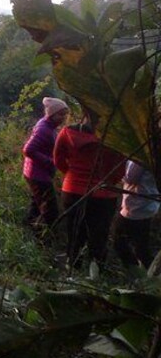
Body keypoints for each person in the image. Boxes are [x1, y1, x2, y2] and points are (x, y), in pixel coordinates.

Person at [54, 112, 126, 273]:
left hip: (72, 191)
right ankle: (97, 271)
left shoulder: (66, 132)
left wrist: (72, 175)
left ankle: (73, 267)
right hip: (103, 194)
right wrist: (107, 182)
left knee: (74, 231)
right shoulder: (115, 140)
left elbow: (58, 160)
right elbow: (120, 168)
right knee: (99, 235)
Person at [22, 97, 69, 236]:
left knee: (37, 203)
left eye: (65, 114)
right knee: (50, 210)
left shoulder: (49, 126)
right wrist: (50, 161)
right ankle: (45, 239)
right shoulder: (44, 129)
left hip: (35, 172)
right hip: (38, 174)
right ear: (52, 114)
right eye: (60, 114)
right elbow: (28, 150)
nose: (63, 117)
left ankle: (29, 228)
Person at [113, 161, 159, 269]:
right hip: (148, 203)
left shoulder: (139, 158)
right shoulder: (153, 154)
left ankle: (138, 272)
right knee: (141, 244)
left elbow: (130, 178)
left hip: (136, 206)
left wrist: (118, 175)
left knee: (121, 243)